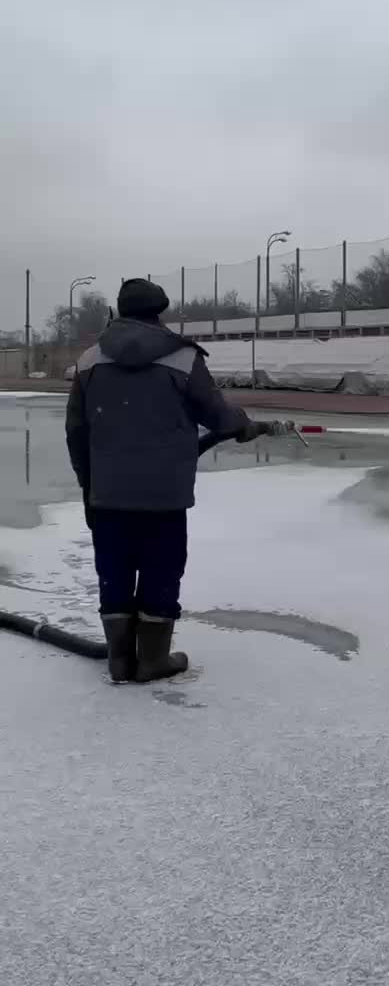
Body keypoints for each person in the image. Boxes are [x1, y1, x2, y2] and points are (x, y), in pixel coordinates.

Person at [66, 278, 268, 684]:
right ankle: (154, 660)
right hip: (164, 497)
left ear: (119, 311)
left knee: (114, 570)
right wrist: (244, 426)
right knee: (161, 570)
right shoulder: (181, 358)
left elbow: (76, 431)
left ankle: (120, 660)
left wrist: (90, 485)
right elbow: (219, 416)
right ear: (159, 312)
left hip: (107, 495)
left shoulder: (89, 360)